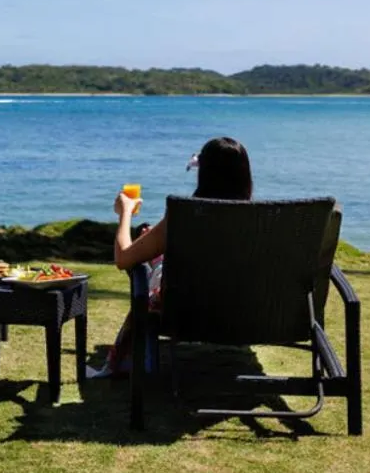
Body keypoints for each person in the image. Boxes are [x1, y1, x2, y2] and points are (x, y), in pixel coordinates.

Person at [88, 137, 254, 378]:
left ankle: (150, 243)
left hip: (184, 311)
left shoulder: (183, 216)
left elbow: (123, 258)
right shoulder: (258, 222)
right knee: (163, 257)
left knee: (152, 262)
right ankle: (153, 245)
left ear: (204, 173)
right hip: (242, 310)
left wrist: (124, 213)